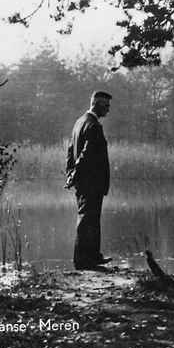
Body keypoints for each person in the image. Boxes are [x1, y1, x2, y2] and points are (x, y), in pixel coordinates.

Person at [65, 91, 112, 270]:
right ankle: (82, 260)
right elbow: (85, 154)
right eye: (106, 106)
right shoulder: (93, 125)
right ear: (97, 105)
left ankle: (93, 257)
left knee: (90, 219)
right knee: (87, 220)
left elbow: (70, 151)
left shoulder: (79, 122)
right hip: (91, 182)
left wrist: (70, 174)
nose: (108, 110)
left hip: (83, 181)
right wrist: (74, 174)